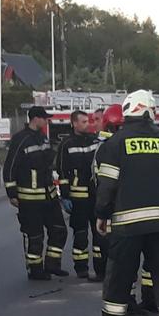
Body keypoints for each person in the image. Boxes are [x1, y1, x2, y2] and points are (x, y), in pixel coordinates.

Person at [89, 90, 159, 316]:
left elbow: (107, 185)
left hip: (127, 225)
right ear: (150, 111)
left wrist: (102, 214)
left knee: (120, 276)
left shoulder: (115, 144)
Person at [4, 106, 68, 279]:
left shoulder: (42, 137)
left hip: (49, 194)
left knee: (59, 229)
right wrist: (12, 193)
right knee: (35, 235)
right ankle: (35, 269)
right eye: (44, 118)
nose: (47, 121)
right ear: (35, 119)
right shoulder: (20, 139)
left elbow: (47, 162)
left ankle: (52, 264)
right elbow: (10, 166)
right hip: (29, 197)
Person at [55, 110, 102, 280]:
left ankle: (100, 269)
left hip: (95, 196)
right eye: (82, 121)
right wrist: (65, 196)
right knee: (80, 234)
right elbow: (62, 171)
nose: (86, 124)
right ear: (74, 123)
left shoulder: (94, 140)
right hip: (78, 197)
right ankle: (81, 268)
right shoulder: (66, 144)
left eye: (87, 121)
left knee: (99, 234)